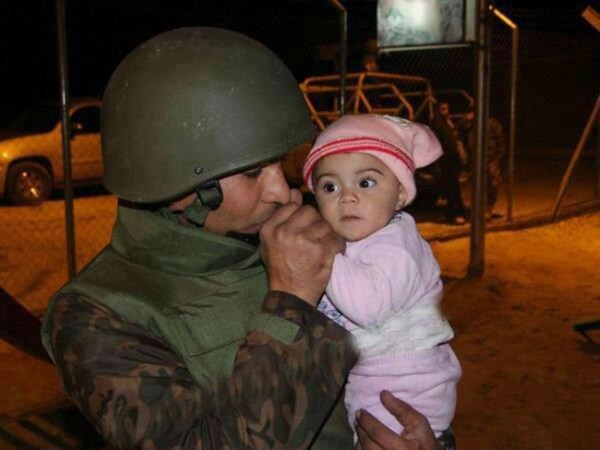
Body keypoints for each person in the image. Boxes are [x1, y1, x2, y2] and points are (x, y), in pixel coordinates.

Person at [41, 27, 441, 449]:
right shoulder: (95, 316)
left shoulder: (299, 233)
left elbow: (405, 367)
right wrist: (290, 303)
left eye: (279, 164)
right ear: (180, 193)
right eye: (253, 172)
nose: (282, 191)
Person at [302, 114, 461, 448]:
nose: (347, 197)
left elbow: (367, 306)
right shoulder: (364, 239)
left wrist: (323, 252)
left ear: (401, 193)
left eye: (366, 183)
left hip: (405, 391)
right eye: (330, 186)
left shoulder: (398, 246)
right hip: (379, 380)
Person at [456, 109, 508, 220]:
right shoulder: (471, 125)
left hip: (490, 160)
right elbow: (457, 129)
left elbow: (502, 144)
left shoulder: (493, 125)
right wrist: (465, 119)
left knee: (492, 186)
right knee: (476, 186)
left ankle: (488, 209)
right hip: (475, 160)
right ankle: (477, 210)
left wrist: (497, 161)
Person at [430, 102, 468, 225]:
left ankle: (454, 214)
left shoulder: (445, 122)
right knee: (452, 188)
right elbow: (448, 143)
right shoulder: (439, 123)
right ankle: (456, 214)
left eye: (447, 109)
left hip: (450, 160)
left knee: (453, 188)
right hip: (448, 160)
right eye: (443, 109)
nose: (446, 111)